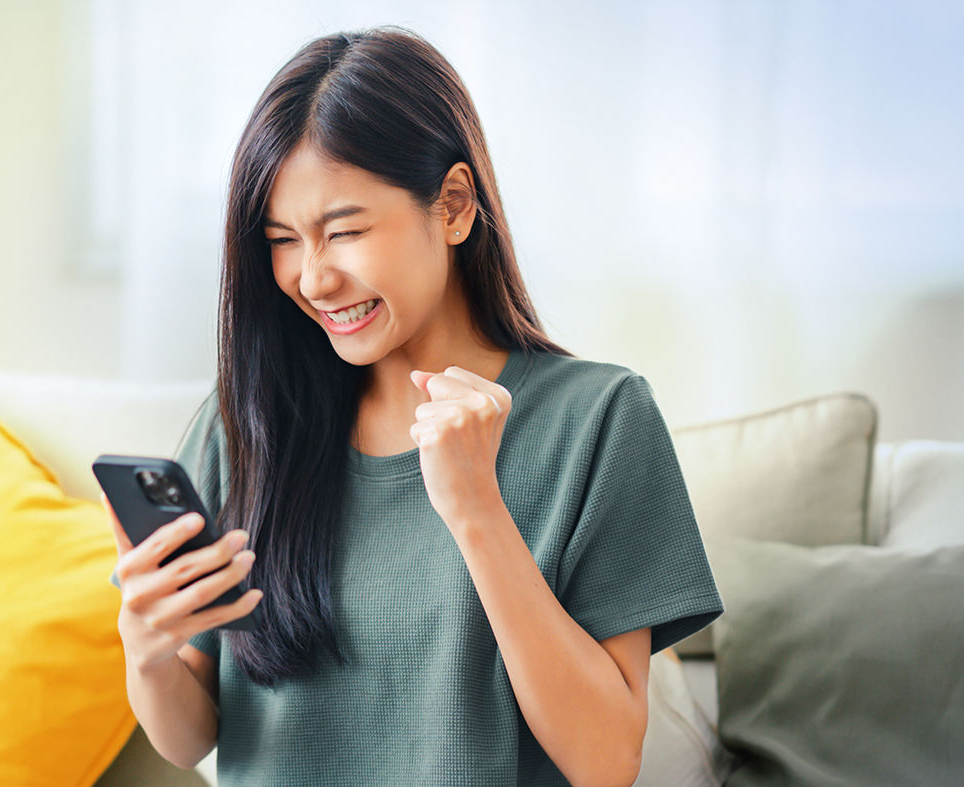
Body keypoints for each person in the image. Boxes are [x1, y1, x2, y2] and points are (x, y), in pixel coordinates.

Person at [103, 25, 724, 786]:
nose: (312, 278)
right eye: (283, 239)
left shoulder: (600, 419)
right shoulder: (248, 424)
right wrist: (148, 650)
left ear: (454, 205)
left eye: (344, 230)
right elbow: (191, 736)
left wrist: (477, 510)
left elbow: (605, 761)